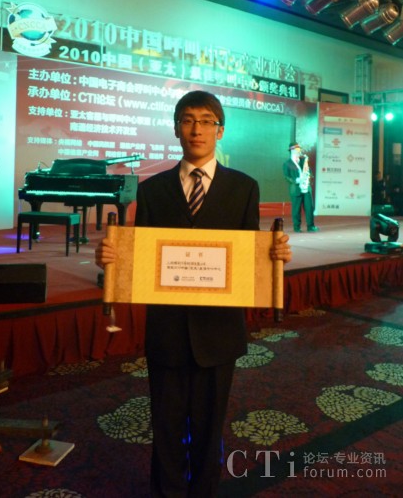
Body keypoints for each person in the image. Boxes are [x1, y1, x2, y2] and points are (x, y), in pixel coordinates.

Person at [95, 90, 292, 497]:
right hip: (167, 330)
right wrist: (113, 260)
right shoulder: (153, 190)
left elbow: (247, 257)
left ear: (220, 130)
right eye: (187, 120)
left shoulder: (244, 188)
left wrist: (271, 257)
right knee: (165, 428)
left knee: (209, 429)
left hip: (218, 334)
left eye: (206, 121)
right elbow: (140, 260)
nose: (196, 129)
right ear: (176, 129)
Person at [283, 142, 319, 233]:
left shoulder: (303, 161)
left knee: (309, 208)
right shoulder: (287, 163)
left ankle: (311, 226)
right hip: (296, 189)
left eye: (299, 149)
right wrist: (297, 180)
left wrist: (309, 177)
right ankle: (297, 227)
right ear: (292, 150)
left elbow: (309, 172)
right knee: (296, 209)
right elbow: (286, 176)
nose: (299, 151)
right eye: (297, 149)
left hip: (306, 188)